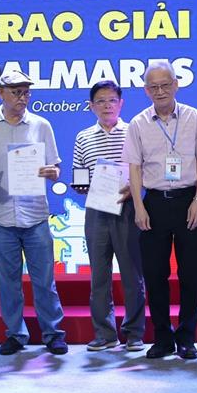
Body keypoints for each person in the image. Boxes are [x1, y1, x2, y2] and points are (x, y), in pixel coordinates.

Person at [0, 68, 68, 356]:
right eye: (16, 92)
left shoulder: (42, 125)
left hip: (35, 215)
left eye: (26, 92)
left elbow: (55, 167)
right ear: (0, 93)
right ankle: (15, 334)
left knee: (44, 281)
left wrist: (53, 173)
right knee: (8, 282)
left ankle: (53, 333)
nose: (22, 97)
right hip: (0, 215)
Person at [123, 60, 197, 360]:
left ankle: (186, 338)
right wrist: (139, 206)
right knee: (154, 274)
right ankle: (162, 338)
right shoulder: (138, 123)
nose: (160, 91)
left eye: (165, 85)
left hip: (189, 202)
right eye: (154, 87)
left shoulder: (194, 117)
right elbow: (134, 168)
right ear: (146, 90)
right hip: (153, 204)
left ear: (176, 85)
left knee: (191, 274)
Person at [71, 80, 147, 352]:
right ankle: (104, 333)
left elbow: (146, 169)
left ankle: (134, 333)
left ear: (121, 103)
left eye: (112, 100)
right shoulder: (83, 137)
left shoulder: (134, 131)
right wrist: (80, 186)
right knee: (99, 275)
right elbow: (79, 172)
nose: (107, 106)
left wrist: (135, 188)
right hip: (96, 210)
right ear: (91, 106)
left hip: (128, 207)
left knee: (132, 273)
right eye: (100, 101)